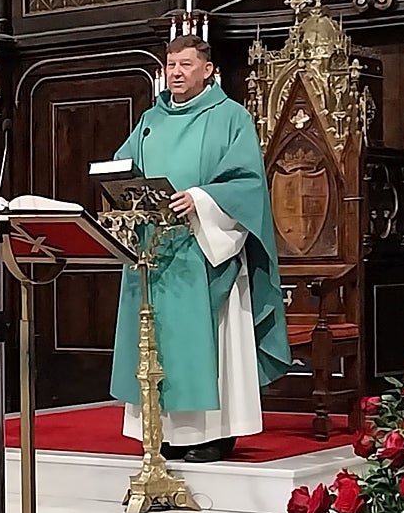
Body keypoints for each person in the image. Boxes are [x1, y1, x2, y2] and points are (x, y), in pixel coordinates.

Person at [109, 35, 290, 462]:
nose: (175, 73)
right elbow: (123, 166)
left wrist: (202, 199)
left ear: (207, 70)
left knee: (211, 340)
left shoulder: (230, 117)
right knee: (156, 342)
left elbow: (247, 184)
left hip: (205, 247)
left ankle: (215, 433)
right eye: (171, 64)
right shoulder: (151, 120)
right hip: (155, 249)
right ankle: (163, 431)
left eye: (185, 65)